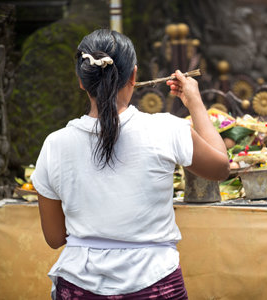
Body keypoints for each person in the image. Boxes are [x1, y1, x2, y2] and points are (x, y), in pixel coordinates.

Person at [31, 28, 230, 299]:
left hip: (79, 286)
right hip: (156, 284)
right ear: (134, 76)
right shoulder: (166, 129)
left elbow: (55, 238)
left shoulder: (55, 144)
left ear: (81, 80)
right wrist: (194, 103)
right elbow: (220, 167)